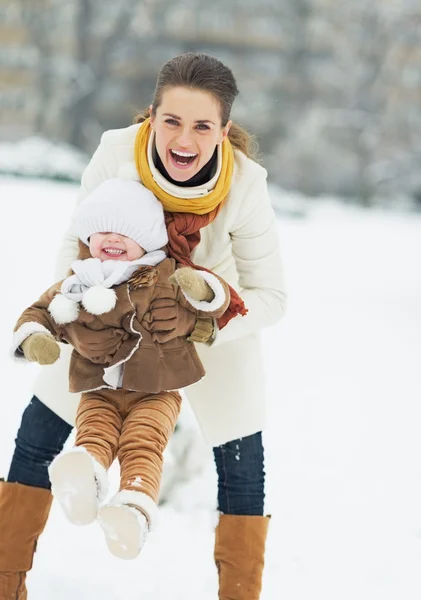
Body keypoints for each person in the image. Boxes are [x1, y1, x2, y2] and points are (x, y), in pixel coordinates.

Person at [0, 52, 287, 600]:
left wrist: (205, 319)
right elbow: (74, 239)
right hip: (102, 306)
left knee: (243, 473)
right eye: (172, 121)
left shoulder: (246, 185)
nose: (185, 139)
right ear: (150, 118)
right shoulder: (116, 152)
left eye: (203, 125)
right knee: (37, 439)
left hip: (211, 327)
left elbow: (272, 297)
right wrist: (81, 311)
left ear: (224, 131)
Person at [11, 177, 231, 561]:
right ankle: (85, 480)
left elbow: (216, 303)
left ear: (145, 237)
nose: (110, 238)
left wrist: (200, 293)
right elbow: (39, 312)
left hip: (157, 390)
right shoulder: (77, 284)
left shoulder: (163, 275)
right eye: (100, 231)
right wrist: (35, 339)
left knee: (143, 444)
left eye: (123, 232)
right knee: (93, 435)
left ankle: (134, 509)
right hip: (98, 389)